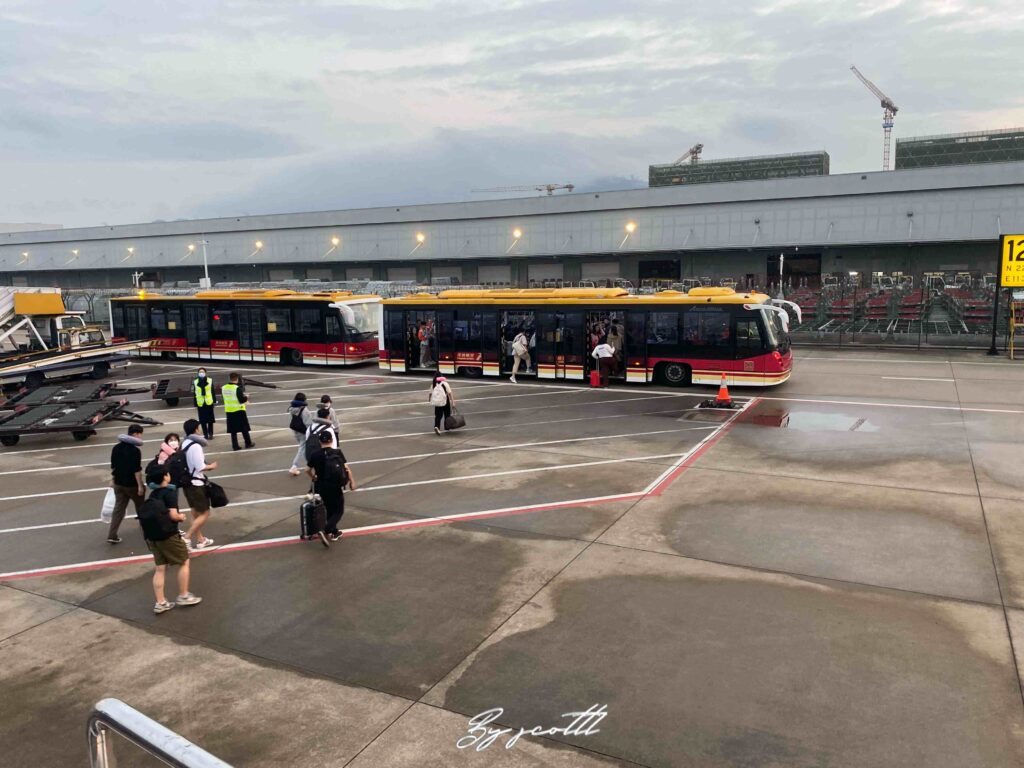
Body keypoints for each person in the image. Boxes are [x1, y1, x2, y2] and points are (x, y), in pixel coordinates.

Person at [141, 466, 201, 614]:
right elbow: (173, 515)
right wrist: (181, 517)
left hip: (152, 536)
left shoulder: (153, 494)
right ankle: (184, 595)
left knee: (160, 568)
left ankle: (161, 602)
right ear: (166, 477)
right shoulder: (170, 492)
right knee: (184, 561)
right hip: (168, 535)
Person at [307, 430, 355, 543]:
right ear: (331, 440)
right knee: (339, 510)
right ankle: (327, 529)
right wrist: (352, 481)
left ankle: (334, 532)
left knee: (329, 508)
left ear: (320, 441)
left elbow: (307, 470)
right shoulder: (337, 452)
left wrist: (313, 477)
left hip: (321, 486)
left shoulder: (315, 454)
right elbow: (347, 468)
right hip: (335, 485)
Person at [181, 418, 218, 550]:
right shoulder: (195, 446)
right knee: (205, 513)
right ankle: (187, 537)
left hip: (187, 483)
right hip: (196, 484)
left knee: (195, 513)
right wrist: (211, 466)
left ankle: (201, 539)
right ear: (196, 429)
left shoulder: (184, 443)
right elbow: (200, 466)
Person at [107, 424, 146, 544]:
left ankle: (112, 535)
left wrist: (113, 479)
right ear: (135, 434)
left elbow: (113, 466)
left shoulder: (116, 448)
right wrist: (140, 485)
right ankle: (146, 530)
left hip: (118, 483)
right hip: (131, 484)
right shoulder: (135, 451)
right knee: (141, 507)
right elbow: (137, 470)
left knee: (118, 509)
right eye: (140, 434)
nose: (140, 437)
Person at [221, 372, 254, 451]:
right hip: (239, 410)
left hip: (229, 411)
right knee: (244, 428)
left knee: (233, 430)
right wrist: (246, 397)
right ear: (237, 379)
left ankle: (235, 446)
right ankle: (248, 443)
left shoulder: (224, 387)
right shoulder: (237, 388)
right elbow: (241, 400)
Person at [193, 368, 216, 439]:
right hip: (200, 403)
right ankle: (205, 434)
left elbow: (212, 391)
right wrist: (195, 403)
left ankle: (211, 433)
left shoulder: (210, 380)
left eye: (203, 372)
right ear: (198, 373)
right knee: (202, 420)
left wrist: (214, 401)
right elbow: (195, 393)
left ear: (205, 373)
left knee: (210, 420)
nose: (201, 373)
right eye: (200, 372)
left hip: (209, 402)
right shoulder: (195, 381)